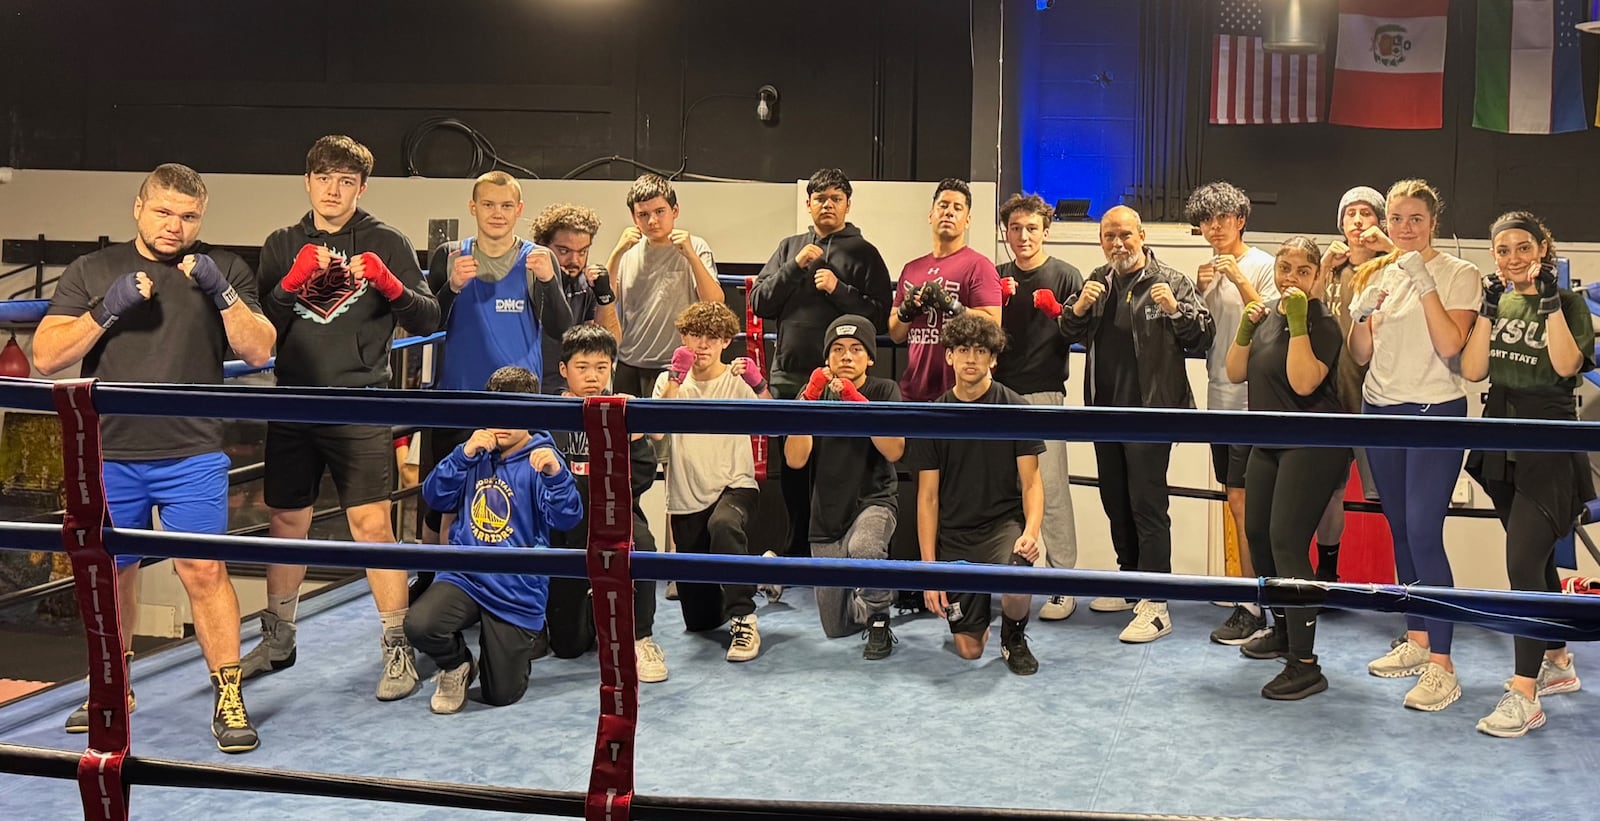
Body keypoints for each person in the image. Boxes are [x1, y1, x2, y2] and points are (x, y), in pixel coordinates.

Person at [34, 163, 276, 753]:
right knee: (112, 572)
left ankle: (228, 694)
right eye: (164, 212)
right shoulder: (95, 270)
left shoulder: (223, 269)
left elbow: (261, 349)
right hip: (112, 451)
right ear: (139, 208)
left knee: (204, 571)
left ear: (202, 219)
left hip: (192, 451)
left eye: (189, 216)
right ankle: (112, 688)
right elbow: (43, 356)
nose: (175, 225)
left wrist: (221, 292)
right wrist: (105, 310)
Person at [245, 135, 442, 701]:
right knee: (287, 523)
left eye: (347, 181)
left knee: (372, 527)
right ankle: (279, 636)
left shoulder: (385, 239)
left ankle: (397, 645)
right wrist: (288, 284)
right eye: (325, 178)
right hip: (294, 401)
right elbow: (265, 330)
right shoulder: (283, 243)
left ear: (361, 187)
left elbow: (428, 314)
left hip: (358, 401)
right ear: (308, 182)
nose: (334, 190)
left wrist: (390, 283)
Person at [1347, 179, 1481, 712]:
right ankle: (1419, 637)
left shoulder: (1459, 273)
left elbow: (1452, 346)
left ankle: (1444, 667)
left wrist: (1423, 279)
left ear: (1433, 221)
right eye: (1397, 218)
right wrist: (1361, 315)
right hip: (1380, 408)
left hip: (1434, 411)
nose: (1404, 228)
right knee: (1401, 528)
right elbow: (1360, 355)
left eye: (1415, 219)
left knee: (1426, 530)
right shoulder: (1378, 273)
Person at [1051, 205, 1213, 643]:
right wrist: (1081, 306)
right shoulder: (1098, 280)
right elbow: (1066, 331)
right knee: (1115, 501)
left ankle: (1156, 603)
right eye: (1109, 236)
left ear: (1141, 235)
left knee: (1147, 505)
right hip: (1105, 410)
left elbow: (1202, 336)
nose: (1118, 243)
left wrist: (1176, 310)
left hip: (1151, 412)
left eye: (1125, 235)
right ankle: (1130, 582)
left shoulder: (1171, 280)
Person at [1460, 211, 1593, 737]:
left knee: (1521, 564)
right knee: (1533, 560)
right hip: (1499, 434)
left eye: (1521, 247)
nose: (1512, 258)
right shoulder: (1498, 301)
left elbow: (1564, 366)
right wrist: (1489, 311)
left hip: (1549, 439)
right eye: (1502, 250)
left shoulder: (1572, 304)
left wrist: (1552, 300)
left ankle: (1524, 691)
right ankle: (1557, 656)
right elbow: (1473, 371)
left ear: (1541, 248)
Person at [409, 366, 583, 713]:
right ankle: (457, 664)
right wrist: (462, 456)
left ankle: (512, 652)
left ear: (530, 413)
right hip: (466, 577)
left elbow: (567, 518)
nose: (502, 421)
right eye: (495, 409)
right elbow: (435, 496)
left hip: (516, 585)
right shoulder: (472, 451)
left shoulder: (542, 460)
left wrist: (556, 476)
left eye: (513, 411)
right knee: (420, 625)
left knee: (501, 694)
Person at [1224, 237, 1350, 700]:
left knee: (1287, 542)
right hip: (1268, 443)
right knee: (1258, 534)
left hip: (1312, 444)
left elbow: (1303, 382)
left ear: (1317, 276)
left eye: (1302, 270)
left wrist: (1298, 322)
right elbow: (1235, 372)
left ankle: (1305, 662)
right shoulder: (1267, 315)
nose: (1290, 278)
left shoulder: (1323, 324)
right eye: (1284, 268)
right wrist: (1243, 329)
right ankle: (1282, 629)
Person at [421, 172, 573, 546]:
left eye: (506, 206)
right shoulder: (450, 255)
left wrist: (551, 282)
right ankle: (437, 580)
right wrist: (450, 287)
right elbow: (427, 323)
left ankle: (511, 586)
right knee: (446, 502)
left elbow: (562, 328)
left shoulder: (537, 259)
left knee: (519, 499)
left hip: (518, 404)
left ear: (519, 210)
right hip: (459, 398)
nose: (497, 213)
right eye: (488, 204)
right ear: (473, 207)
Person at [750, 167, 893, 562]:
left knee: (844, 467)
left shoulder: (864, 253)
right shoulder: (789, 247)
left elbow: (880, 317)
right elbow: (760, 302)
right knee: (793, 468)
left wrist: (839, 289)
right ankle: (797, 547)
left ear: (847, 204)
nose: (827, 205)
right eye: (820, 198)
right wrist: (795, 267)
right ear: (808, 203)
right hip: (790, 377)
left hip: (848, 382)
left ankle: (844, 547)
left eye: (835, 198)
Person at [902, 312, 1043, 675]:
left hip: (1001, 527)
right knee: (969, 650)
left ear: (993, 358)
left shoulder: (1015, 407)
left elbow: (1032, 482)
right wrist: (928, 569)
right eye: (962, 349)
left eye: (980, 351)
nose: (970, 358)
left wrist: (1030, 532)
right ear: (948, 355)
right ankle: (977, 610)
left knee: (1019, 573)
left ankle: (1013, 635)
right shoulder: (933, 417)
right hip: (956, 534)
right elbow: (927, 498)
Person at [544, 324, 669, 683]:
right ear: (565, 369)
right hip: (564, 526)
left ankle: (640, 637)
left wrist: (637, 436)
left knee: (644, 546)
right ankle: (584, 609)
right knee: (568, 647)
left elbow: (643, 480)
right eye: (583, 367)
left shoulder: (622, 411)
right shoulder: (548, 414)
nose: (593, 376)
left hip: (616, 516)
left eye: (601, 367)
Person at [1182, 181, 1279, 646]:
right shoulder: (1205, 272)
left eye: (1223, 218)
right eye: (1206, 220)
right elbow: (1205, 336)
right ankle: (1252, 595)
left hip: (1253, 401)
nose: (1214, 227)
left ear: (1241, 220)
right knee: (1233, 500)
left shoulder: (1262, 265)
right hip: (1218, 396)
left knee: (1245, 505)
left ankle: (1253, 603)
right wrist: (1201, 292)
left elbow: (1268, 317)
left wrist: (1236, 278)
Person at [652, 302, 773, 661]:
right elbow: (657, 432)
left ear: (725, 342)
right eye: (694, 335)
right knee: (701, 620)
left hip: (734, 486)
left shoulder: (736, 378)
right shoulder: (668, 380)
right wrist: (674, 380)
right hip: (687, 498)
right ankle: (761, 572)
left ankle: (745, 618)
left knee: (723, 526)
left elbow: (773, 424)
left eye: (711, 337)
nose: (701, 345)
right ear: (683, 337)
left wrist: (760, 384)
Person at [783, 315, 905, 657]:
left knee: (865, 547)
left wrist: (858, 403)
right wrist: (807, 402)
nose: (846, 356)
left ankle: (879, 618)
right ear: (827, 358)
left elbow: (895, 449)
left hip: (874, 501)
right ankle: (878, 590)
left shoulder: (883, 390)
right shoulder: (812, 393)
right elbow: (795, 459)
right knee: (834, 628)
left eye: (855, 349)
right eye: (838, 349)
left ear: (869, 357)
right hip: (827, 510)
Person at [993, 193, 1082, 621]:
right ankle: (1016, 575)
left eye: (1032, 228)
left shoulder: (1065, 275)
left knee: (1050, 488)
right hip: (997, 393)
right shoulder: (994, 277)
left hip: (1044, 392)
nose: (1023, 236)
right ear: (1006, 233)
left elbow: (1082, 329)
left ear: (1046, 231)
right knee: (1004, 490)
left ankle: (1062, 582)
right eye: (1015, 228)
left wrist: (1058, 311)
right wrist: (998, 303)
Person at [1313, 186, 1394, 582]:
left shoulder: (1393, 267)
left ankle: (1410, 586)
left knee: (1391, 494)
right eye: (1351, 214)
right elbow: (1301, 308)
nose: (1358, 221)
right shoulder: (1333, 270)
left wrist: (1391, 247)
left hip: (1377, 397)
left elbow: (1420, 272)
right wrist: (1325, 266)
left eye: (1367, 213)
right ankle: (1327, 572)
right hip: (1328, 397)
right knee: (1329, 491)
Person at [887, 178, 1003, 402]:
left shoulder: (979, 266)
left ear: (967, 220)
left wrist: (953, 306)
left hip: (960, 392)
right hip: (915, 389)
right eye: (943, 206)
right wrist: (906, 310)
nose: (949, 212)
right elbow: (895, 333)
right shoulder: (911, 269)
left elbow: (993, 323)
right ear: (931, 215)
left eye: (957, 208)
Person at [608, 173, 723, 398]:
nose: (652, 221)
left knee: (671, 433)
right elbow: (606, 302)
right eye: (643, 214)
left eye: (659, 211)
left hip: (678, 363)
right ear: (634, 217)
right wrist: (616, 253)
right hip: (630, 361)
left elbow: (715, 303)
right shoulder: (628, 251)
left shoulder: (696, 246)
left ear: (675, 211)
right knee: (627, 432)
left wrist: (690, 256)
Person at [529, 202, 622, 393]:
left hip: (571, 392)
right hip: (532, 389)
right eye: (564, 251)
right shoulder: (525, 280)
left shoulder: (585, 285)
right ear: (542, 245)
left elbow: (609, 344)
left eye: (582, 252)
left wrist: (605, 297)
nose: (575, 261)